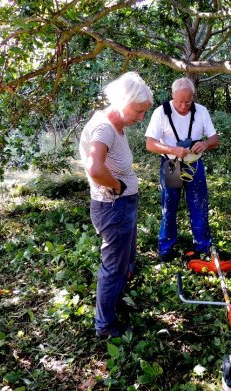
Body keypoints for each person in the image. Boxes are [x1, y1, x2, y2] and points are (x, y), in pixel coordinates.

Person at [79, 72, 153, 338]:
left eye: (145, 112)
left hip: (122, 207)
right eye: (138, 111)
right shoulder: (104, 129)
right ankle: (105, 325)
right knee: (113, 267)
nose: (141, 117)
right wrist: (118, 187)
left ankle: (114, 304)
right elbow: (94, 168)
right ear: (123, 101)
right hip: (114, 208)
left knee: (124, 262)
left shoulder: (115, 125)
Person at [145, 77, 219, 262]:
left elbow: (214, 139)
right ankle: (166, 247)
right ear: (172, 96)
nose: (184, 106)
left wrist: (205, 144)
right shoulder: (161, 112)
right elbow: (150, 144)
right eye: (180, 101)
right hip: (172, 165)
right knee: (169, 205)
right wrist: (172, 150)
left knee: (198, 205)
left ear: (193, 97)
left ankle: (202, 247)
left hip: (194, 164)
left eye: (188, 101)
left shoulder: (201, 111)